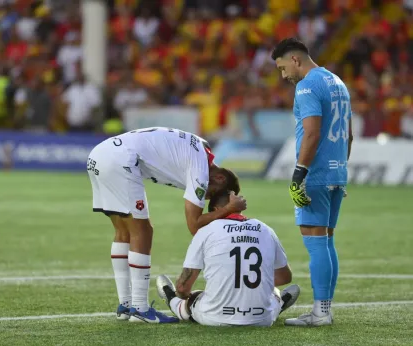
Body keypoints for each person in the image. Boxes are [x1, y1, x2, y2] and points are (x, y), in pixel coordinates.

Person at [87, 127, 246, 323]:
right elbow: (194, 225)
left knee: (123, 231)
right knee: (143, 231)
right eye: (211, 195)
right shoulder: (201, 170)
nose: (206, 198)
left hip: (100, 154)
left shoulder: (198, 152)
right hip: (122, 159)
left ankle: (126, 305)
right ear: (220, 178)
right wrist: (228, 208)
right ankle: (140, 308)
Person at [271, 38, 354, 326]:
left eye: (283, 68)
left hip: (315, 175)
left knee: (316, 243)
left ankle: (320, 313)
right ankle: (324, 309)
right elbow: (349, 135)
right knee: (327, 242)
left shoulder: (306, 86)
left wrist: (299, 174)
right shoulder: (338, 82)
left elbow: (312, 133)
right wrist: (339, 169)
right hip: (336, 172)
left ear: (295, 59)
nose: (284, 76)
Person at [155, 190, 300, 327]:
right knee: (273, 292)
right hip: (263, 319)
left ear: (216, 210)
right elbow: (285, 276)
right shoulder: (265, 229)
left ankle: (172, 300)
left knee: (193, 298)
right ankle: (279, 302)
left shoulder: (206, 230)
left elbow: (183, 288)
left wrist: (183, 295)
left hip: (214, 317)